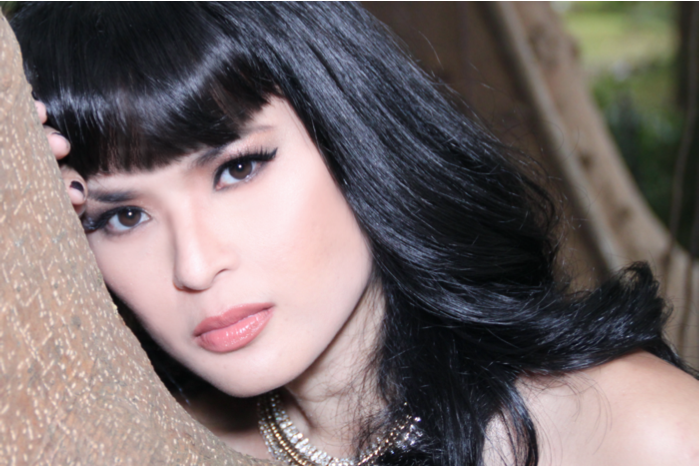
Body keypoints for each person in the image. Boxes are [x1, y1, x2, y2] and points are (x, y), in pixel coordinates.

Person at [11, 3, 699, 465]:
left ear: (355, 136)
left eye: (238, 169)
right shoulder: (124, 435)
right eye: (121, 217)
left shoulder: (634, 433)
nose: (194, 265)